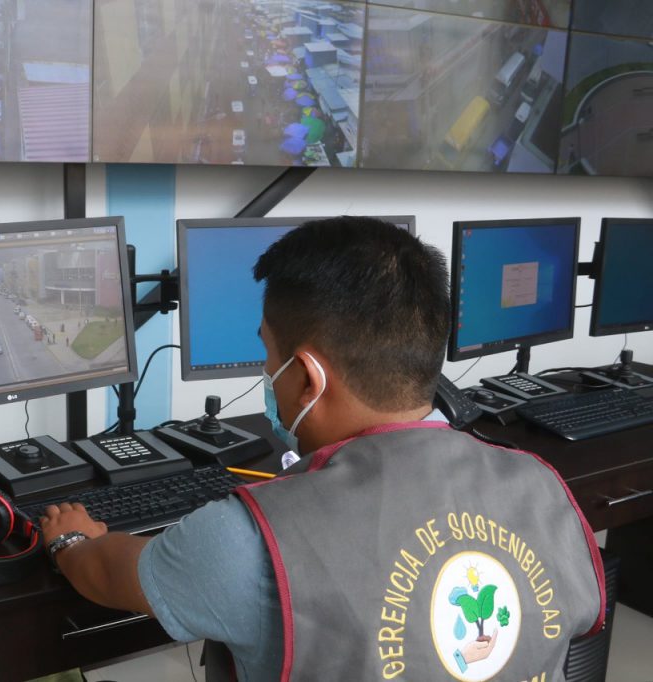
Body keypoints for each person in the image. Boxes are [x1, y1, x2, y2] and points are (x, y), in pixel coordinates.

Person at [41, 217, 604, 681]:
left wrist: (72, 538)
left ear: (309, 378)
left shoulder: (246, 539)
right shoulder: (541, 488)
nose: (267, 373)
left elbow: (109, 575)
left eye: (268, 355)